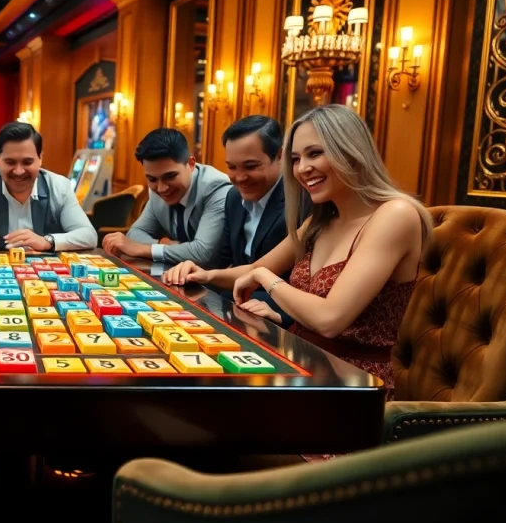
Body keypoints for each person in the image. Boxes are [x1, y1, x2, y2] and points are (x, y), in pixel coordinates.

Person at [163, 104, 432, 401]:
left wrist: (268, 281)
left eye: (315, 153)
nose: (302, 168)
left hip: (351, 389)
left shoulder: (395, 214)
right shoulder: (320, 221)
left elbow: (330, 319)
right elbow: (257, 267)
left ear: (351, 151)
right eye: (296, 158)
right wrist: (205, 274)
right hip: (298, 368)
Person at [167, 116, 293, 325]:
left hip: (278, 311)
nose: (239, 177)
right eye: (232, 167)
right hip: (239, 304)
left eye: (251, 166)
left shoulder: (299, 202)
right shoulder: (233, 197)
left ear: (279, 156)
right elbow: (220, 259)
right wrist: (193, 269)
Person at [0, 122, 97, 252]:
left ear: (40, 158)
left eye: (27, 162)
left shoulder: (59, 186)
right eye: (10, 162)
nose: (19, 171)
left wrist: (47, 241)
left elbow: (88, 235)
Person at [102, 128, 230, 266]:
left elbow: (203, 253)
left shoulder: (217, 188)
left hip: (218, 284)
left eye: (170, 176)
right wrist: (161, 244)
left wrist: (145, 249)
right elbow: (135, 234)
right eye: (152, 179)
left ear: (191, 164)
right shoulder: (157, 191)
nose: (162, 188)